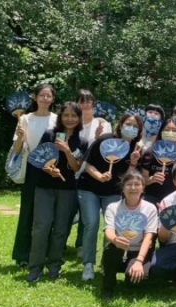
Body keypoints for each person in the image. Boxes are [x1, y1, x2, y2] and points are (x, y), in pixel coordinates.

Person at [26, 102, 88, 282]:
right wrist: (48, 169)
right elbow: (38, 158)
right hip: (44, 187)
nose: (70, 119)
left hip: (67, 189)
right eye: (66, 115)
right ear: (60, 117)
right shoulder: (49, 134)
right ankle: (35, 267)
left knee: (61, 229)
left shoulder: (82, 142)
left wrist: (67, 151)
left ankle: (54, 265)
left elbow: (76, 168)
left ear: (79, 118)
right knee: (41, 227)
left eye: (74, 116)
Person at [76, 113, 143, 281]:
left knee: (111, 227)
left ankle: (106, 263)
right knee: (91, 223)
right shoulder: (104, 140)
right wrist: (99, 176)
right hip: (89, 188)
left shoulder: (135, 149)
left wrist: (133, 162)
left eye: (135, 126)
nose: (131, 128)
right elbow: (87, 164)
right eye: (128, 124)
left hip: (113, 192)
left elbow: (129, 178)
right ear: (120, 125)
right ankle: (88, 264)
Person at [11, 84, 58, 268]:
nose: (45, 99)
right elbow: (17, 150)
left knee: (47, 215)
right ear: (35, 97)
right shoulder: (25, 119)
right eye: (42, 95)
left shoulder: (57, 119)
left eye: (48, 96)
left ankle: (44, 253)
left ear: (53, 99)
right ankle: (22, 255)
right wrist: (20, 137)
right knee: (27, 212)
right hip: (32, 170)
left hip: (51, 169)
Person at [100, 170, 159, 301]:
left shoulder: (150, 208)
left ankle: (135, 273)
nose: (133, 188)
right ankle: (107, 288)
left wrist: (139, 261)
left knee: (133, 284)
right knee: (110, 252)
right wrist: (115, 240)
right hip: (118, 247)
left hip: (140, 250)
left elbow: (149, 237)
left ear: (143, 188)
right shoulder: (113, 207)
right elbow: (108, 231)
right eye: (129, 184)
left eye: (137, 184)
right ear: (123, 188)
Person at [70, 89, 114, 259]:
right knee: (68, 211)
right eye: (81, 101)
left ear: (94, 104)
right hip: (71, 170)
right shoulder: (73, 123)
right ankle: (59, 243)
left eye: (88, 101)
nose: (85, 104)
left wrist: (97, 138)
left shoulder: (102, 124)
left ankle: (82, 244)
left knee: (87, 214)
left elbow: (105, 148)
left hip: (91, 173)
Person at [140, 117, 176, 206]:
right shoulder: (150, 152)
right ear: (161, 132)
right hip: (151, 197)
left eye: (174, 130)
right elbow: (143, 180)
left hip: (174, 198)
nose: (170, 132)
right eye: (167, 130)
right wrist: (151, 179)